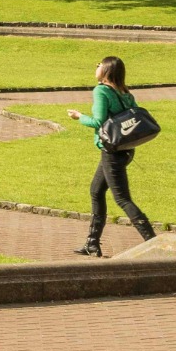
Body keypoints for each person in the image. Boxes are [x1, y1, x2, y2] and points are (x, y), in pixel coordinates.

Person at [71, 55, 155, 254]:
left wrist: (79, 116)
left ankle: (151, 240)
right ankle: (92, 243)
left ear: (106, 70)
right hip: (125, 150)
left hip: (111, 152)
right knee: (96, 191)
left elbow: (98, 122)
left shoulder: (101, 91)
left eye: (98, 64)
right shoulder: (126, 93)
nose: (96, 67)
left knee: (122, 198)